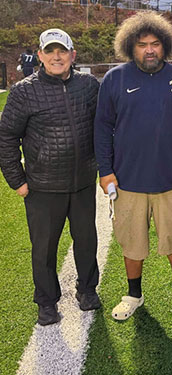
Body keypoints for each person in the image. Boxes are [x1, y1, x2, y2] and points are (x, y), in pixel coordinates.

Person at [94, 12, 172, 321]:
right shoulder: (115, 79)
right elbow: (102, 128)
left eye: (155, 44)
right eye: (142, 45)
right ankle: (133, 295)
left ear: (166, 46)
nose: (149, 50)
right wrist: (106, 170)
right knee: (132, 242)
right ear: (130, 46)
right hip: (128, 181)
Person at [0, 29, 101, 326]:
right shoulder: (23, 91)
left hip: (82, 182)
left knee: (86, 241)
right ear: (40, 55)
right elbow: (6, 138)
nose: (57, 56)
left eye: (62, 51)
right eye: (50, 51)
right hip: (43, 188)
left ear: (73, 54)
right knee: (44, 248)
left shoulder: (89, 86)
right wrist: (16, 180)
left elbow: (106, 125)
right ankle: (46, 301)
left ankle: (87, 290)